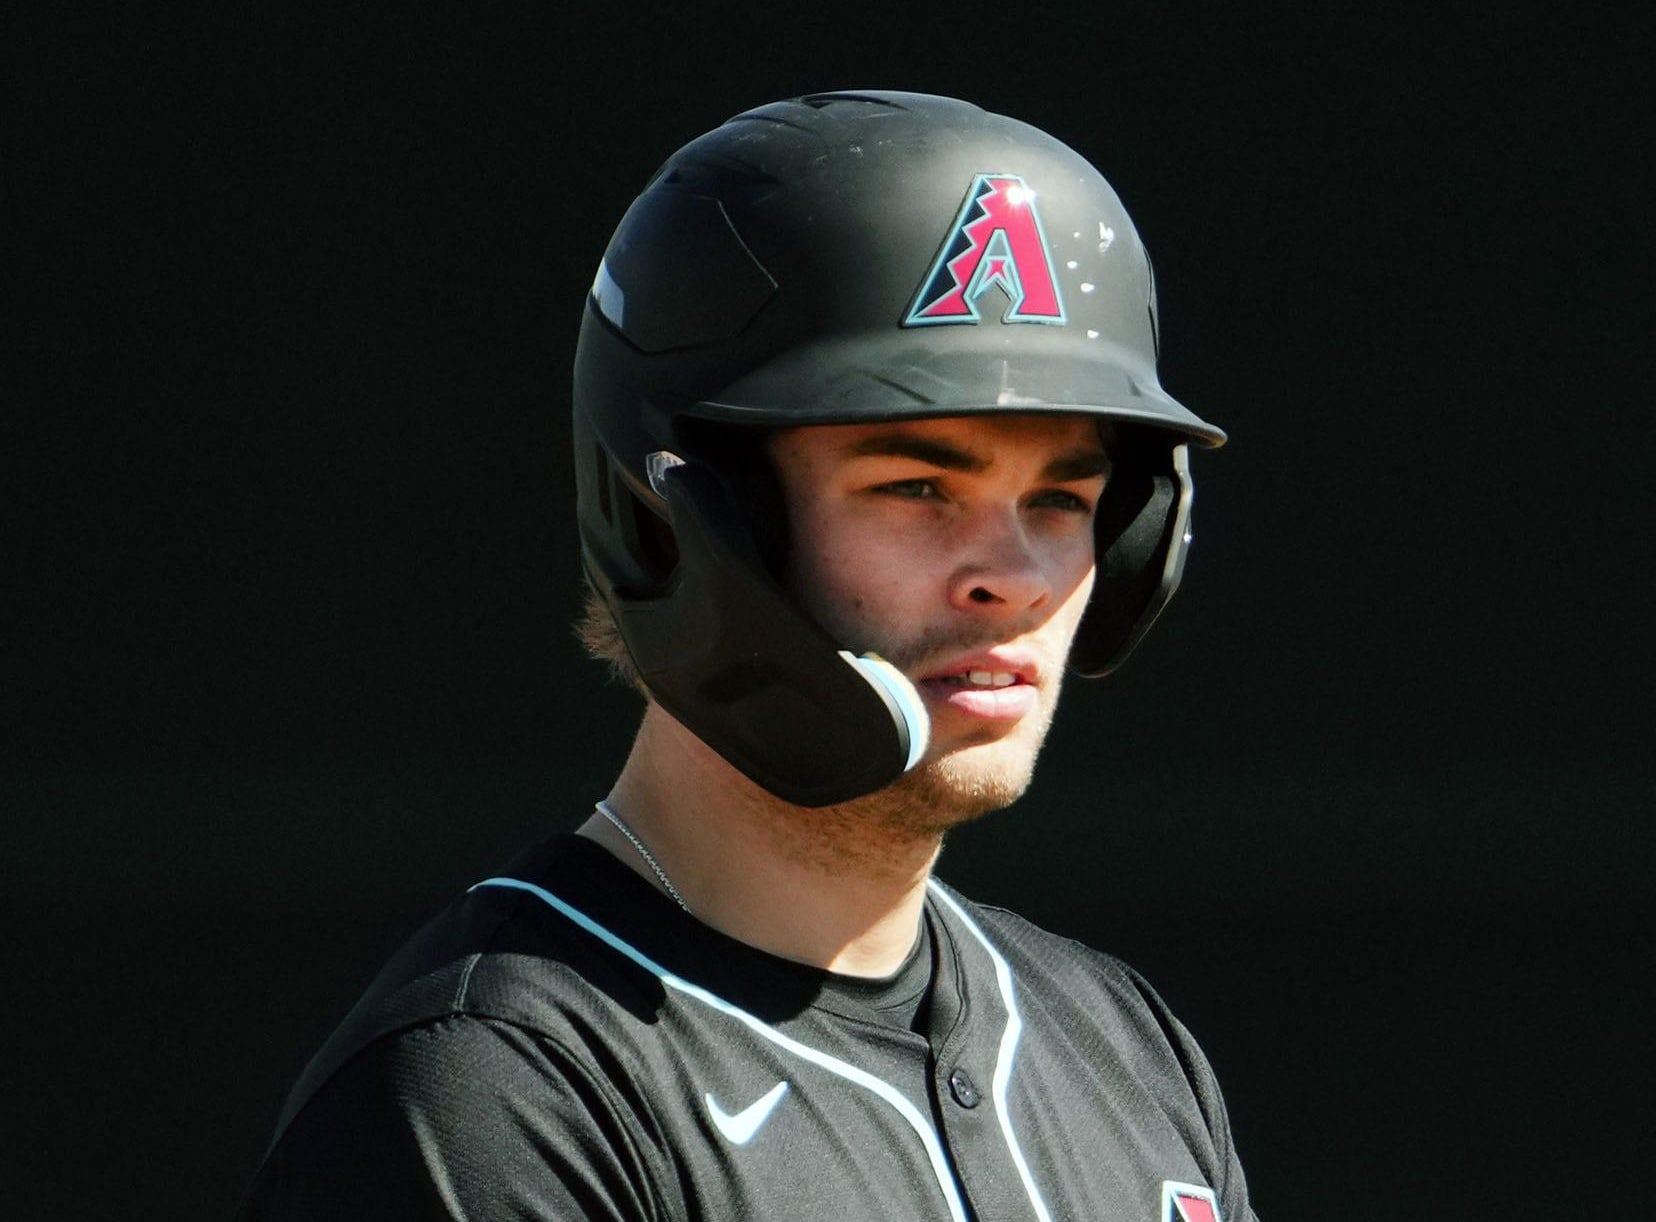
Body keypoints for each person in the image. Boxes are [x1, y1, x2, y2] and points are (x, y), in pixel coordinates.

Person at [239, 90, 1254, 1222]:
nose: (1011, 574)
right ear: (681, 526)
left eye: (1062, 498)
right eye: (916, 487)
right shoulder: (492, 1091)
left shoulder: (1119, 1049)